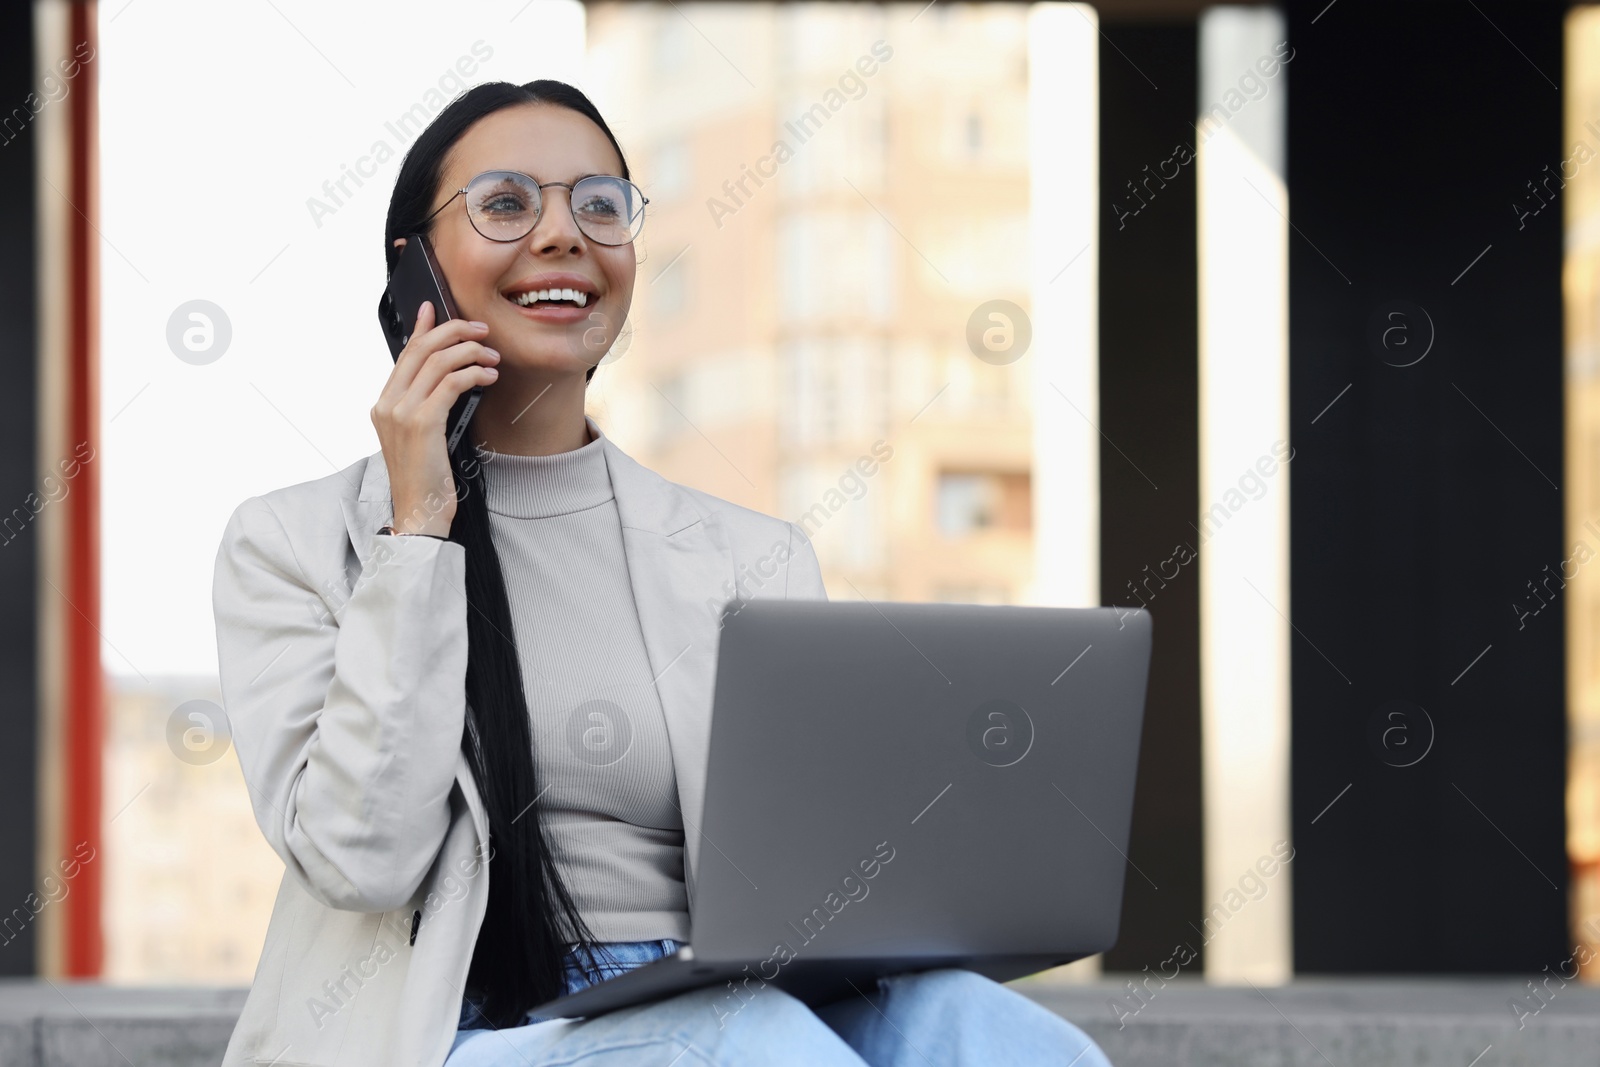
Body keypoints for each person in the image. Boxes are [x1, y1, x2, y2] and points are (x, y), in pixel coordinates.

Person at [211, 77, 1114, 1067]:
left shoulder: (752, 553)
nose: (564, 234)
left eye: (599, 204)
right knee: (751, 1042)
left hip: (706, 992)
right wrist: (417, 532)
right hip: (452, 1030)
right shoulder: (293, 543)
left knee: (988, 1031)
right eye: (507, 203)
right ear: (413, 269)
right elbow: (360, 856)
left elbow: (804, 877)